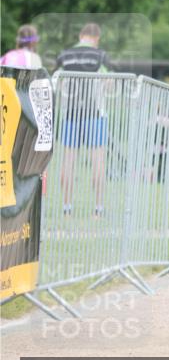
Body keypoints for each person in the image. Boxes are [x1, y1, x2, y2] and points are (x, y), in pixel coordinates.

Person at [56, 23, 113, 216]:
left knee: (68, 161)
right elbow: (110, 84)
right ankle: (98, 208)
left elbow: (56, 82)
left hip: (70, 115)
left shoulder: (64, 55)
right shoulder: (100, 56)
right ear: (96, 38)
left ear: (81, 35)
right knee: (98, 161)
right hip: (95, 114)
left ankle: (67, 207)